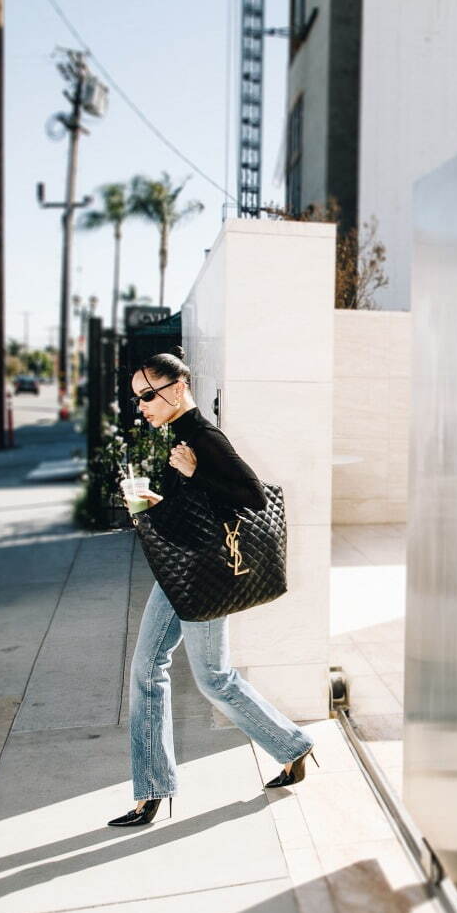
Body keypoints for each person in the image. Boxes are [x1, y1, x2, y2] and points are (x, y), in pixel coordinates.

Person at [107, 351, 318, 828]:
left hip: (203, 578)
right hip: (181, 573)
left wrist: (194, 472)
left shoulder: (203, 437)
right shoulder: (181, 436)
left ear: (177, 389)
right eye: (137, 397)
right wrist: (158, 499)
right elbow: (195, 506)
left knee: (213, 679)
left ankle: (292, 745)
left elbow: (252, 495)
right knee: (147, 669)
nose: (141, 405)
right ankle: (151, 791)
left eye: (147, 395)